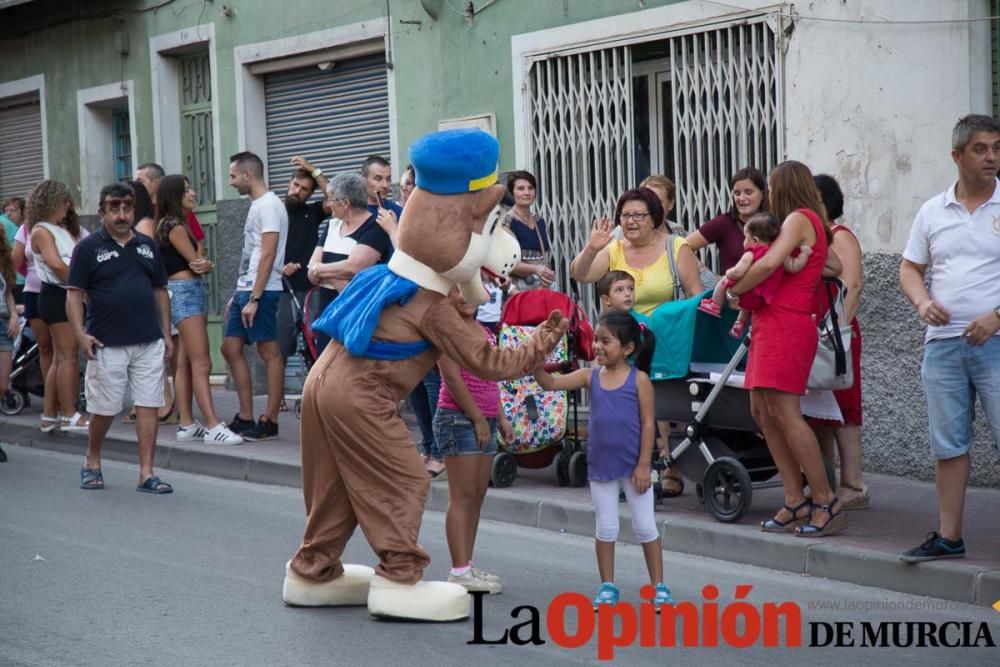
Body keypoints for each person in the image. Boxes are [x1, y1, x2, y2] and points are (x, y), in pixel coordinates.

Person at [898, 114, 1000, 563]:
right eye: (981, 149)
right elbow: (909, 268)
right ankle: (948, 537)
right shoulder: (932, 210)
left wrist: (996, 317)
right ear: (957, 156)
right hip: (941, 345)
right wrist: (922, 304)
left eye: (996, 147)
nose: (991, 157)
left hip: (995, 342)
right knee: (949, 444)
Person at [728, 160, 844, 537]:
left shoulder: (798, 218)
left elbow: (768, 265)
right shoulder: (807, 222)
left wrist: (736, 289)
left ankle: (825, 498)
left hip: (787, 323)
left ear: (784, 188)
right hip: (771, 322)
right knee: (762, 410)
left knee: (785, 413)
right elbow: (831, 264)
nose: (771, 197)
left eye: (773, 189)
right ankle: (794, 499)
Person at [534, 310, 672, 610]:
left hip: (636, 467)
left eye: (605, 341)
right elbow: (550, 384)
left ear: (628, 348)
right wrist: (533, 357)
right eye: (595, 339)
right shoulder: (590, 376)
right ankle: (607, 586)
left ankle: (659, 586)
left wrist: (644, 464)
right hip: (600, 466)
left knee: (646, 527)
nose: (596, 346)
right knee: (606, 528)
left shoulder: (640, 381)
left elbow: (649, 423)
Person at [572, 187, 703, 498]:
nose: (630, 221)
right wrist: (592, 248)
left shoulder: (676, 247)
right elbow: (579, 274)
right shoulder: (615, 249)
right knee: (617, 409)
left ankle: (670, 467)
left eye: (638, 215)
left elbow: (696, 296)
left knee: (660, 410)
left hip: (664, 343)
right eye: (625, 215)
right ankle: (621, 469)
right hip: (618, 343)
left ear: (655, 217)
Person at [67, 182, 174, 493]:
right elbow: (74, 296)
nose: (122, 214)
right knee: (104, 408)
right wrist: (80, 334)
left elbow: (160, 291)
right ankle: (92, 460)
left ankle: (146, 473)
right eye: (114, 208)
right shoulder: (87, 249)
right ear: (102, 211)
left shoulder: (146, 245)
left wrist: (166, 333)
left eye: (127, 207)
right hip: (105, 341)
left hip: (148, 340)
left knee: (149, 404)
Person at [435, 286, 514, 594]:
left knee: (477, 497)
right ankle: (458, 570)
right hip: (458, 420)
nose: (466, 297)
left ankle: (467, 563)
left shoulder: (483, 331)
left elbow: (492, 376)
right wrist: (478, 419)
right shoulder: (446, 331)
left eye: (471, 290)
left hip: (487, 420)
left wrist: (502, 418)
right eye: (458, 291)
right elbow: (452, 378)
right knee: (462, 496)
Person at [155, 174, 243, 445]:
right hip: (185, 293)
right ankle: (213, 424)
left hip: (182, 292)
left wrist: (204, 263)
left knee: (183, 361)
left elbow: (200, 260)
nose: (193, 194)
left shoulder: (171, 223)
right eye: (187, 190)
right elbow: (198, 263)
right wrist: (206, 264)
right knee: (201, 362)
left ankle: (186, 424)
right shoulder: (174, 226)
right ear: (174, 195)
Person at [809, 174, 868, 511]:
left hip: (836, 335)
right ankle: (827, 482)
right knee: (819, 409)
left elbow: (853, 285)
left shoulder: (840, 236)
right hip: (815, 333)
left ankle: (853, 484)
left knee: (845, 408)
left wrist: (838, 333)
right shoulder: (811, 237)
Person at [223, 151, 288, 441]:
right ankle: (246, 415)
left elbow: (268, 253)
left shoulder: (270, 206)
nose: (231, 182)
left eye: (233, 176)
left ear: (248, 175)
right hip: (246, 287)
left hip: (264, 289)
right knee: (230, 347)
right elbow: (252, 254)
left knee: (268, 352)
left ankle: (270, 419)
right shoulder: (257, 205)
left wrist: (255, 297)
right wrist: (240, 292)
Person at [306, 173, 392, 354]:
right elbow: (311, 273)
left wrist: (320, 270)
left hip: (355, 313)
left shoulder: (375, 227)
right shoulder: (332, 226)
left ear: (345, 203)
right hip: (326, 312)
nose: (328, 204)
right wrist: (333, 274)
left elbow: (354, 267)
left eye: (331, 199)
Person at [28, 180, 90, 432]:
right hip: (58, 295)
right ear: (55, 201)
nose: (68, 207)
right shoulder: (41, 230)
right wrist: (80, 287)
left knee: (59, 359)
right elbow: (55, 264)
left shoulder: (56, 229)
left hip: (61, 294)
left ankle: (49, 415)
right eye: (66, 201)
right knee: (68, 358)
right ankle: (69, 413)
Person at [698, 212, 812, 338]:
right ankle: (740, 323)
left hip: (748, 294)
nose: (744, 241)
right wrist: (804, 255)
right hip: (764, 298)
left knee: (724, 281)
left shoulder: (751, 253)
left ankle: (714, 304)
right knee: (750, 302)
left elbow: (738, 272)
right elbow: (793, 267)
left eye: (746, 238)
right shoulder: (779, 253)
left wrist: (728, 273)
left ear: (755, 240)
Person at [126, 178, 177, 425]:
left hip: (146, 294)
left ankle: (164, 401)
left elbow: (145, 260)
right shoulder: (138, 224)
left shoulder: (144, 224)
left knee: (152, 352)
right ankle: (146, 402)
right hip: (138, 295)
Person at [277, 157, 328, 366]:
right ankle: (278, 400)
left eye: (304, 189)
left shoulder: (313, 212)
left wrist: (313, 169)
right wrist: (279, 268)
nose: (297, 191)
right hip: (281, 291)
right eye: (295, 185)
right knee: (279, 350)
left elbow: (337, 196)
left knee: (315, 347)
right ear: (289, 183)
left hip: (309, 291)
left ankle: (314, 397)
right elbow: (258, 252)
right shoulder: (274, 211)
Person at [687, 167, 769, 272]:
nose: (742, 198)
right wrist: (708, 277)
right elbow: (682, 248)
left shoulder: (774, 223)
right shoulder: (724, 223)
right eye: (737, 193)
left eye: (748, 192)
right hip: (735, 288)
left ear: (762, 193)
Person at [504, 170, 555, 291]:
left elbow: (545, 256)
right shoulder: (507, 221)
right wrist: (536, 269)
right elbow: (507, 263)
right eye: (521, 188)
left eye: (530, 188)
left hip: (542, 286)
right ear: (512, 192)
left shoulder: (538, 220)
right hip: (519, 288)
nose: (527, 193)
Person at [0, 229, 18, 409]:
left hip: (4, 325)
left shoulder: (4, 262)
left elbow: (8, 293)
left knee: (3, 385)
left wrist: (13, 314)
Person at [361, 155, 404, 221]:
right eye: (378, 179)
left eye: (388, 179)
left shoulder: (399, 212)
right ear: (363, 180)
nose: (385, 185)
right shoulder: (352, 212)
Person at [1, 197, 25, 303]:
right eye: (6, 211)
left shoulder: (26, 230)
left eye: (12, 210)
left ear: (22, 212)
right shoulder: (6, 228)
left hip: (22, 280)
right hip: (12, 280)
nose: (8, 214)